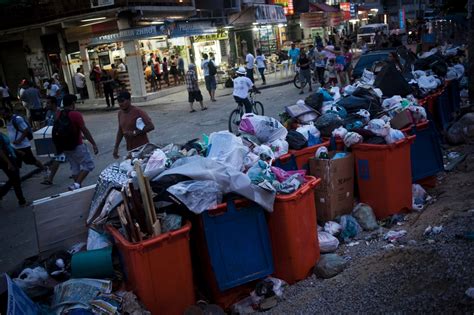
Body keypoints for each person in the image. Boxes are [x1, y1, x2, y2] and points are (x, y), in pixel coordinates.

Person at [54, 94, 98, 191]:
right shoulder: (75, 114)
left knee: (74, 167)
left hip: (65, 146)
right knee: (89, 165)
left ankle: (78, 188)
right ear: (73, 103)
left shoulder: (59, 114)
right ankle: (77, 184)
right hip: (77, 145)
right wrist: (93, 143)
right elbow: (84, 130)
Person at [3, 108, 46, 173]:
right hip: (14, 147)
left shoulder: (17, 119)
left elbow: (26, 130)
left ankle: (45, 169)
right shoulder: (7, 120)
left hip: (23, 146)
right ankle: (16, 179)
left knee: (32, 161)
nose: (3, 116)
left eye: (4, 114)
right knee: (15, 163)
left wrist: (19, 140)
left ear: (9, 112)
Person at [113, 91, 155, 159]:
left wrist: (134, 133)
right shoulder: (120, 113)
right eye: (119, 101)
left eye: (122, 101)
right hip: (130, 149)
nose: (120, 104)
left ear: (129, 100)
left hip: (142, 148)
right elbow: (120, 130)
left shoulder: (138, 112)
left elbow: (151, 126)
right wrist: (116, 147)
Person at [41, 97, 66, 186]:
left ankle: (50, 178)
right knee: (57, 157)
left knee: (58, 157)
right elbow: (46, 123)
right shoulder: (48, 112)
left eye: (48, 103)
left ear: (54, 104)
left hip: (59, 138)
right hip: (50, 138)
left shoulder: (60, 112)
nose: (46, 105)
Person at [0, 131, 28, 206]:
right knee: (15, 180)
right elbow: (0, 151)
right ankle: (22, 201)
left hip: (11, 157)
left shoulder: (1, 133)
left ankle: (21, 201)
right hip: (6, 160)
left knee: (14, 180)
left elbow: (8, 145)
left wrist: (17, 151)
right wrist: (8, 163)